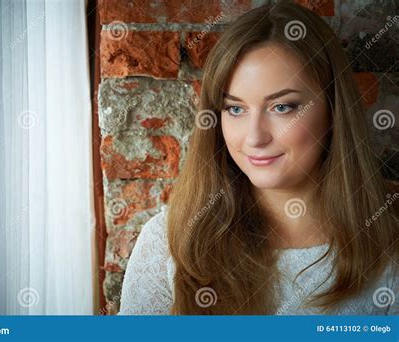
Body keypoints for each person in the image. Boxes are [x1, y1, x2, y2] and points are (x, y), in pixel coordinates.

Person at [118, 1, 398, 315]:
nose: (254, 138)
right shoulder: (166, 245)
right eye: (235, 109)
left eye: (283, 107)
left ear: (334, 109)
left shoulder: (389, 247)